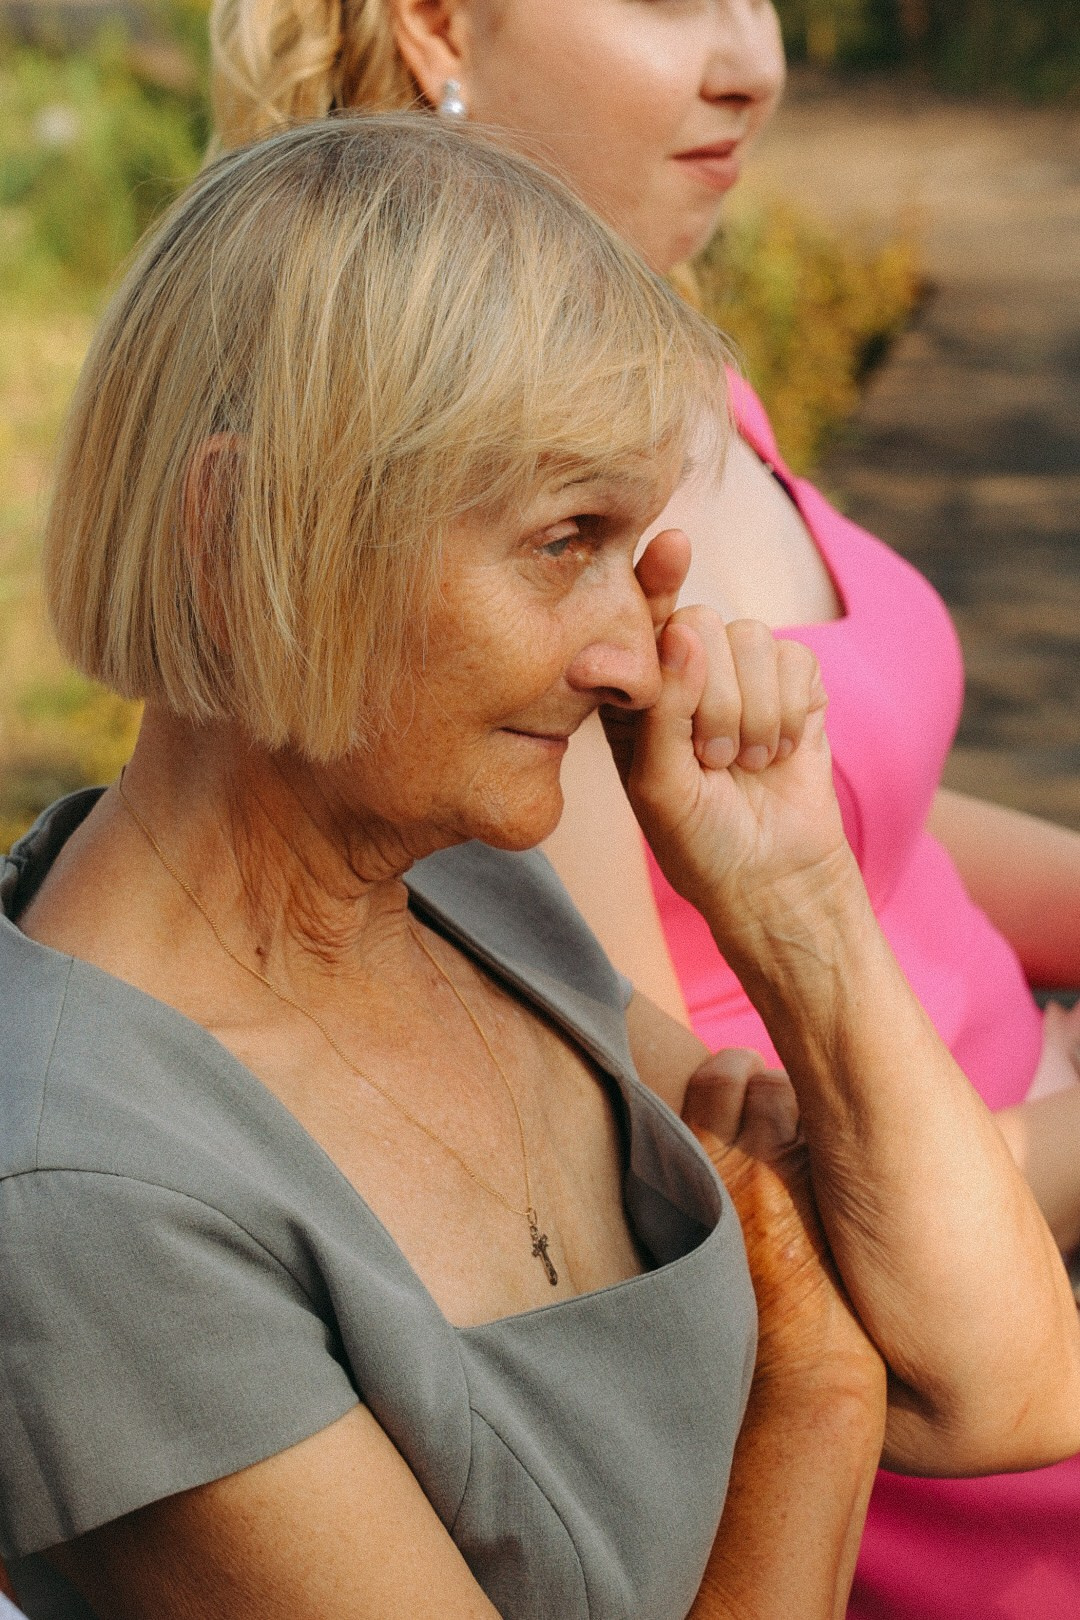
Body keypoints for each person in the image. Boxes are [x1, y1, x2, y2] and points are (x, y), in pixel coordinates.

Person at [2, 116, 1079, 1620]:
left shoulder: (458, 893)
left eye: (639, 556)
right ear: (237, 532)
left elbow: (1009, 1387)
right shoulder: (86, 1196)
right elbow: (882, 1387)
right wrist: (815, 1392)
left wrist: (798, 909)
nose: (634, 661)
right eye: (564, 542)